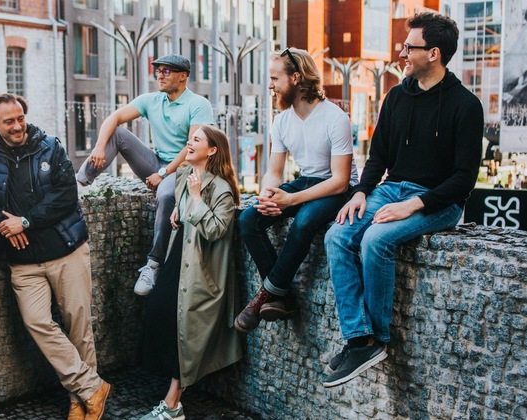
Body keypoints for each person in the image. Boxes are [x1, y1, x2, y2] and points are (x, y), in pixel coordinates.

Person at [322, 12, 483, 388]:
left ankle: (377, 339)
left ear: (435, 54)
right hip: (392, 189)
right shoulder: (396, 96)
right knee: (337, 235)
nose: (403, 53)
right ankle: (359, 339)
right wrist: (361, 191)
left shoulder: (465, 105)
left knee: (376, 241)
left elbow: (464, 180)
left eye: (411, 47)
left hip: (438, 201)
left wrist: (415, 205)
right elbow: (378, 157)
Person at [0, 94, 111, 420]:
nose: (17, 126)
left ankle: (79, 401)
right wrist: (3, 222)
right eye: (8, 121)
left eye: (20, 118)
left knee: (78, 327)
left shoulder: (51, 148)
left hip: (66, 251)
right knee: (38, 323)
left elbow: (66, 195)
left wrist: (25, 221)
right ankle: (92, 387)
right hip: (24, 264)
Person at [233, 48, 358, 333]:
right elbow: (275, 171)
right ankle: (282, 296)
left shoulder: (334, 117)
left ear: (296, 78)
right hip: (305, 180)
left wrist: (291, 199)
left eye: (275, 78)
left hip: (338, 189)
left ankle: (262, 298)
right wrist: (267, 195)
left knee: (302, 222)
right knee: (247, 220)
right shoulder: (282, 121)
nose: (270, 85)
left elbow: (340, 180)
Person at [75, 54, 214, 296]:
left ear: (183, 76)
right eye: (157, 70)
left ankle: (153, 264)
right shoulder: (152, 100)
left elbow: (192, 148)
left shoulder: (198, 104)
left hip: (183, 169)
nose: (160, 75)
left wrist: (163, 173)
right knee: (117, 134)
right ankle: (79, 183)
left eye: (166, 71)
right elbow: (114, 118)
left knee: (166, 195)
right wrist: (98, 146)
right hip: (157, 163)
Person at [138, 126, 242, 420]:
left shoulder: (221, 189)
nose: (189, 143)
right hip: (178, 260)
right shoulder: (184, 175)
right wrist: (179, 211)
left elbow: (214, 230)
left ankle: (173, 406)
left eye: (196, 140)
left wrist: (195, 200)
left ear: (212, 150)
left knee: (185, 332)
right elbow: (181, 209)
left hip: (200, 271)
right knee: (158, 314)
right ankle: (168, 398)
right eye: (190, 139)